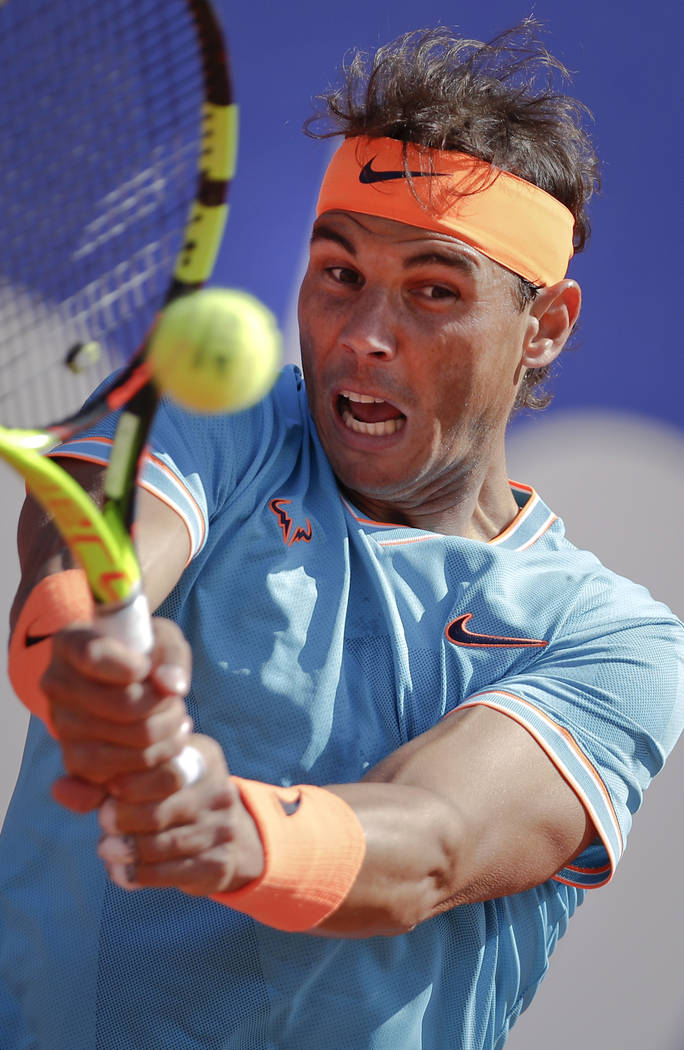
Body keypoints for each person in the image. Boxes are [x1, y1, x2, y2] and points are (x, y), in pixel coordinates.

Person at [2, 19, 683, 1050]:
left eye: (434, 292)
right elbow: (90, 558)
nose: (365, 334)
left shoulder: (614, 643)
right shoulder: (215, 422)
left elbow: (436, 847)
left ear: (544, 327)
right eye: (339, 275)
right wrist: (91, 659)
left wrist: (230, 830)